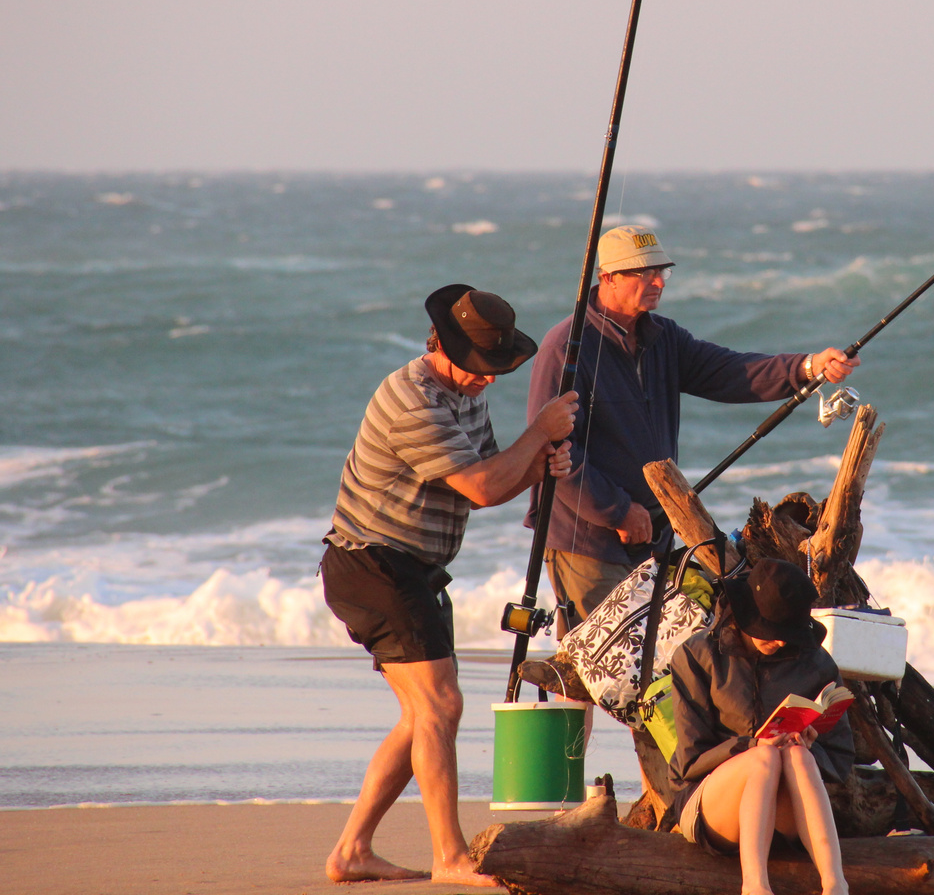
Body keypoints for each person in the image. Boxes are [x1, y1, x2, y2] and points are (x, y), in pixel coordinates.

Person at [319, 285, 579, 885]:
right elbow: (484, 486)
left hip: (415, 571)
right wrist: (538, 434)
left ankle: (352, 851)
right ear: (440, 345)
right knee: (442, 705)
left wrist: (542, 462)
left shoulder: (466, 395)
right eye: (480, 368)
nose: (488, 381)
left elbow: (498, 475)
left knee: (423, 717)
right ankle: (450, 858)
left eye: (497, 370)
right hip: (373, 563)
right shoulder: (412, 398)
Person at [527, 225, 859, 625]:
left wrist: (808, 366)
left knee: (651, 666)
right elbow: (551, 451)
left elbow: (732, 371)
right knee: (600, 668)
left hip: (653, 535)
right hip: (589, 542)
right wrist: (617, 512)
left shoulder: (662, 337)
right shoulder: (566, 346)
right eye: (642, 272)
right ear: (607, 277)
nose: (656, 282)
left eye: (662, 272)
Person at [667, 559, 854, 895]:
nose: (780, 642)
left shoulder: (814, 661)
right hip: (712, 805)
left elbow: (841, 757)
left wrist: (813, 741)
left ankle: (835, 885)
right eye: (771, 632)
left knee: (798, 754)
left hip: (785, 813)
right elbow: (691, 761)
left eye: (787, 634)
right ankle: (755, 887)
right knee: (763, 759)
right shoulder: (698, 656)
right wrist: (750, 746)